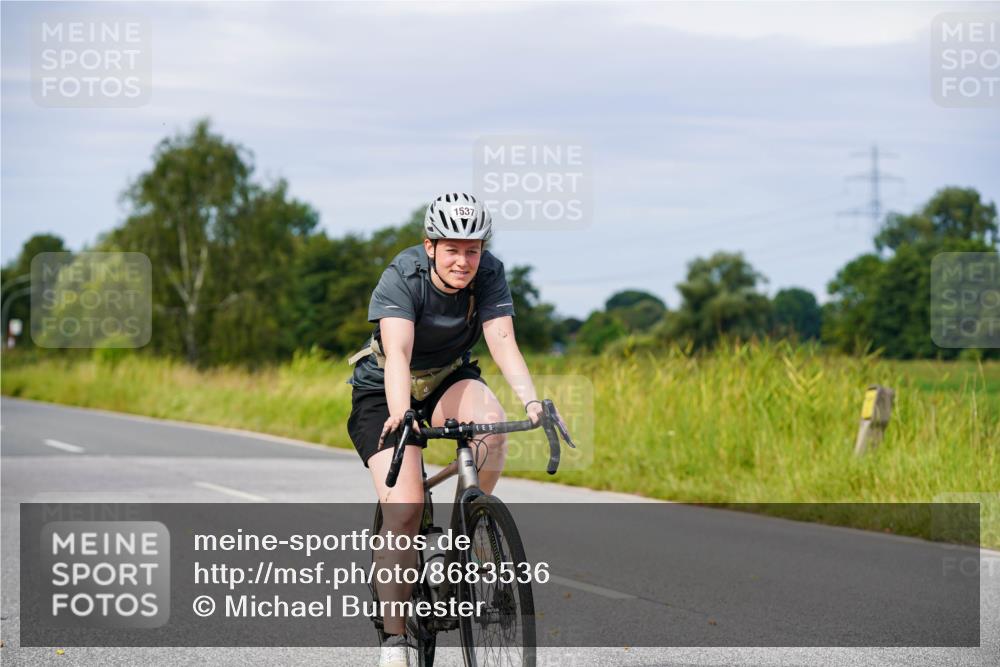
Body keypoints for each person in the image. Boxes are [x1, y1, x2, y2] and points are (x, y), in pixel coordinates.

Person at [347, 192, 546, 667]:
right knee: (406, 509)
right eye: (452, 249)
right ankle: (396, 640)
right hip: (385, 393)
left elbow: (501, 338)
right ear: (430, 246)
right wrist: (401, 413)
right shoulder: (402, 276)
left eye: (472, 250)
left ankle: (474, 529)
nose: (463, 261)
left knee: (492, 430)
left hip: (448, 378)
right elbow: (397, 352)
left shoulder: (490, 273)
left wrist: (534, 401)